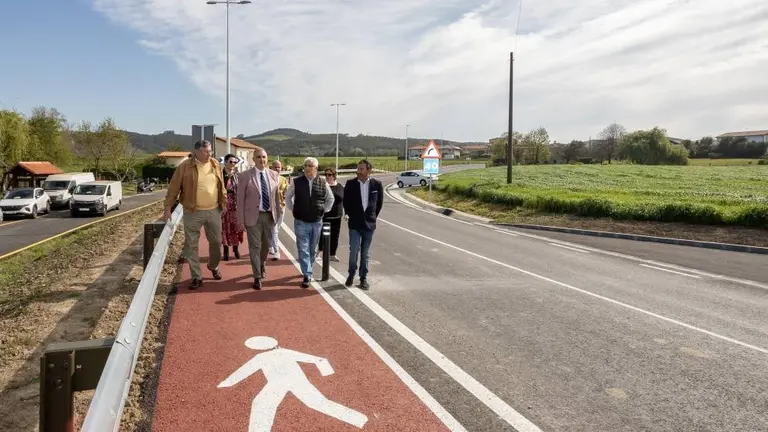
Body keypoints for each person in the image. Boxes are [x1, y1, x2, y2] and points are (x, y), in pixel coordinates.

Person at [163, 140, 226, 289]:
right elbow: (173, 188)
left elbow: (221, 185)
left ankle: (213, 265)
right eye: (206, 151)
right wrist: (167, 208)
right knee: (191, 245)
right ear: (196, 151)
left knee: (216, 242)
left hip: (214, 210)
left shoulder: (215, 164)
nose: (209, 154)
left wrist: (224, 202)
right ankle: (196, 276)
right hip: (193, 211)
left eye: (210, 151)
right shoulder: (184, 166)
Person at [284, 157, 334, 288]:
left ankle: (308, 268)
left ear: (316, 168)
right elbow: (287, 197)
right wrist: (293, 208)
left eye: (310, 166)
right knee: (303, 249)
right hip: (301, 221)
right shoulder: (296, 182)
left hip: (317, 222)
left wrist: (323, 211)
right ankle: (307, 274)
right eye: (305, 165)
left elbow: (330, 199)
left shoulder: (323, 182)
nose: (306, 168)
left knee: (312, 249)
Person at [236, 147, 282, 290]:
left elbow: (276, 197)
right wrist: (240, 220)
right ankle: (257, 276)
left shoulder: (274, 175)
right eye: (258, 157)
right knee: (254, 247)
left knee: (266, 246)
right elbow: (240, 200)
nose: (262, 160)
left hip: (269, 216)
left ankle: (261, 263)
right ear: (253, 159)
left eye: (264, 157)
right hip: (252, 217)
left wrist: (278, 214)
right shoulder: (244, 176)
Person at [342, 159, 383, 290]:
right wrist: (348, 213)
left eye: (361, 169)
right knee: (354, 250)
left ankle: (363, 278)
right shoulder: (350, 184)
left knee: (365, 253)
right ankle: (351, 274)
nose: (358, 171)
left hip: (369, 224)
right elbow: (346, 202)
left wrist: (372, 217)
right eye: (358, 169)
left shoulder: (377, 185)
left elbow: (379, 204)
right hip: (354, 223)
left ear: (369, 170)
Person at [317, 167, 344, 262]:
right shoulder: (323, 186)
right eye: (326, 174)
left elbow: (344, 200)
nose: (327, 176)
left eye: (330, 174)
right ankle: (319, 252)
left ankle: (332, 254)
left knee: (335, 235)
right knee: (322, 234)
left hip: (337, 215)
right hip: (325, 215)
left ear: (334, 175)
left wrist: (346, 213)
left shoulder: (340, 186)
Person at [221, 154, 244, 261]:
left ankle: (236, 248)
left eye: (235, 162)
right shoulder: (220, 175)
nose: (233, 164)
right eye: (230, 162)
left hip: (235, 205)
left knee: (236, 227)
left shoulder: (238, 175)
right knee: (224, 228)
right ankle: (225, 250)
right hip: (224, 204)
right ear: (225, 162)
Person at [267, 159, 288, 261]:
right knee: (274, 229)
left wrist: (283, 204)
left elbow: (287, 194)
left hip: (281, 207)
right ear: (271, 168)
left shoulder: (284, 180)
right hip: (271, 208)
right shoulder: (267, 179)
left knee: (276, 229)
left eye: (279, 167)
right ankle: (276, 251)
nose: (277, 169)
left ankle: (270, 245)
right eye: (275, 167)